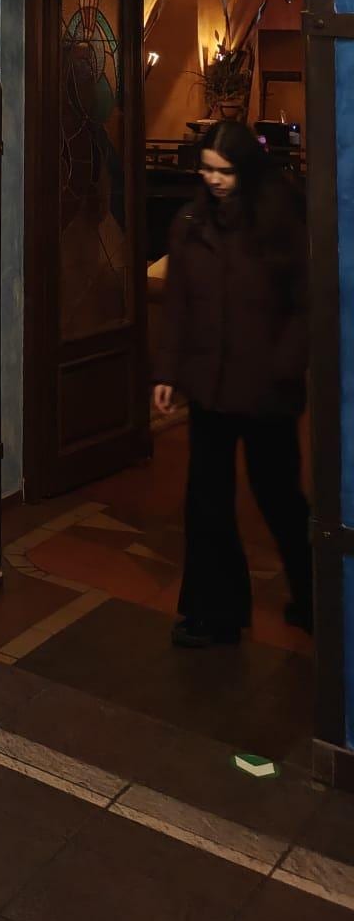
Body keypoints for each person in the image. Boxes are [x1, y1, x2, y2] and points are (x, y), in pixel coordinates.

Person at [152, 118, 312, 648]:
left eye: (224, 171)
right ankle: (215, 614)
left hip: (268, 390)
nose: (214, 179)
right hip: (211, 386)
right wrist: (168, 372)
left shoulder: (280, 220)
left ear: (246, 170)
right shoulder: (191, 223)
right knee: (207, 502)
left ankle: (317, 598)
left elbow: (305, 306)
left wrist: (283, 366)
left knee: (280, 497)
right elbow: (178, 306)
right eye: (206, 169)